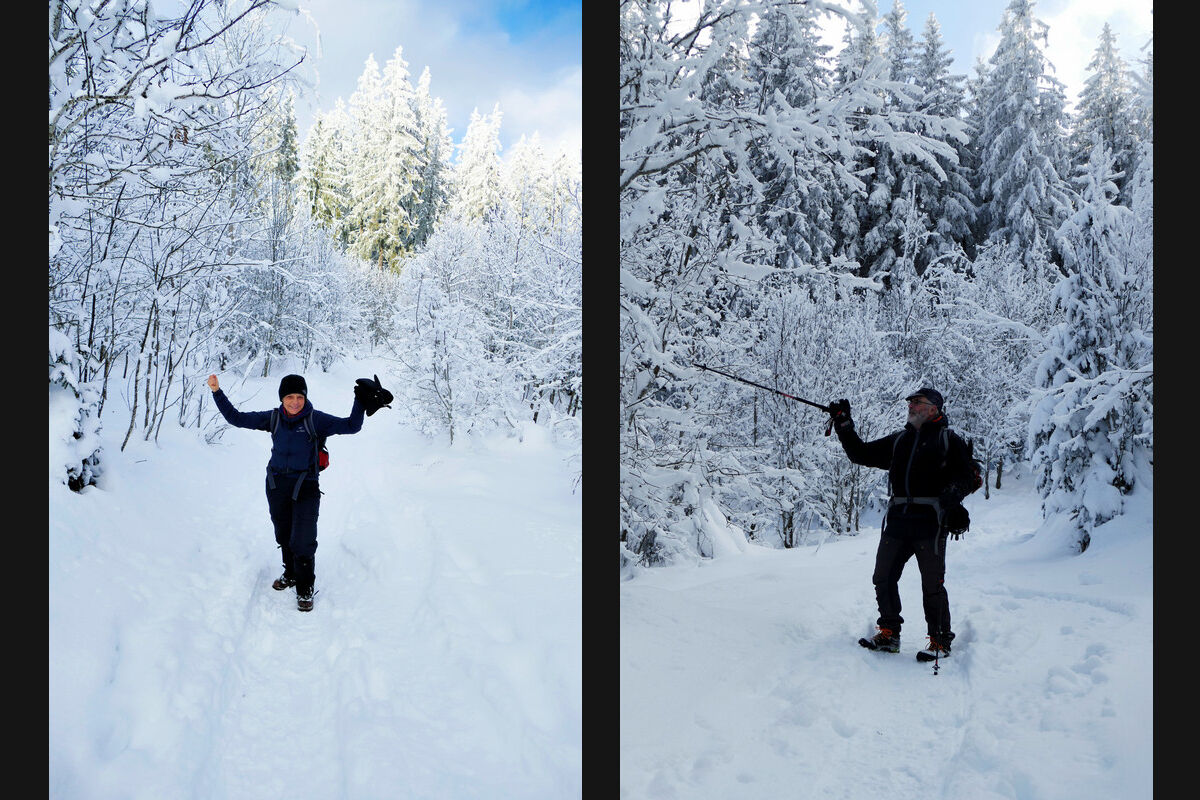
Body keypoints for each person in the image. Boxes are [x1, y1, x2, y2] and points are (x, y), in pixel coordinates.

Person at [828, 387, 975, 661]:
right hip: (897, 519)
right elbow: (860, 454)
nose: (911, 406)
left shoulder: (948, 440)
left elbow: (970, 476)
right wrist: (844, 425)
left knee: (932, 583)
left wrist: (954, 494)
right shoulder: (900, 441)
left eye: (917, 402)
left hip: (930, 521)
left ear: (934, 408)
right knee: (882, 577)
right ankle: (889, 633)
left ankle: (940, 640)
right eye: (910, 402)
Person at [207, 372, 371, 611]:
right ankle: (291, 573)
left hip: (306, 486)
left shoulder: (316, 420)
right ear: (282, 398)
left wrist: (360, 400)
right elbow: (236, 418)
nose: (295, 402)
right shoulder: (273, 418)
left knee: (303, 541)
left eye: (299, 397)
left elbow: (351, 426)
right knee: (284, 536)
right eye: (289, 397)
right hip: (276, 485)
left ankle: (305, 587)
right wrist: (216, 392)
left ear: (305, 397)